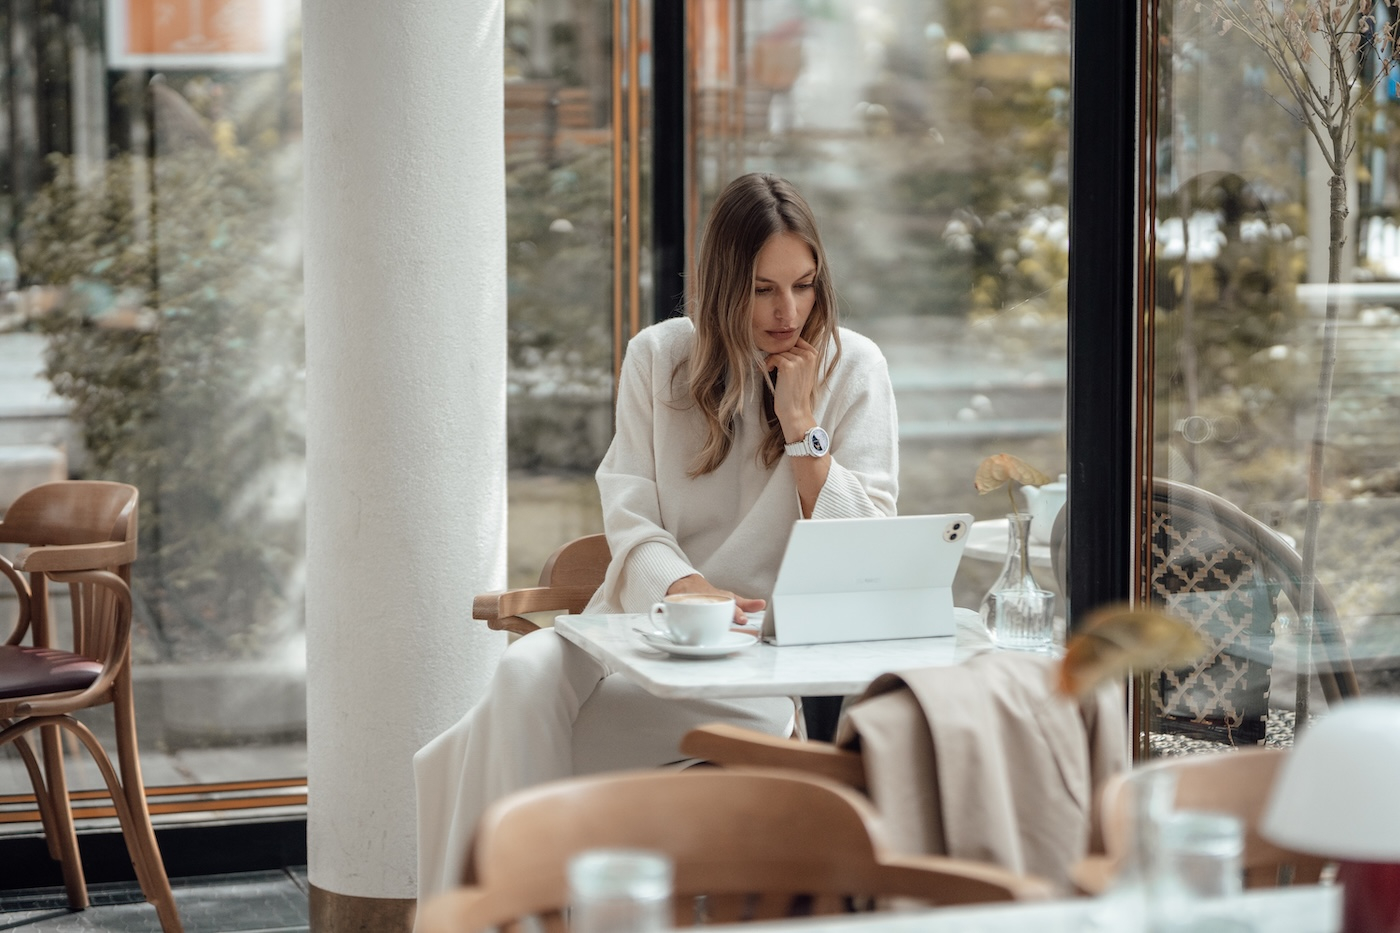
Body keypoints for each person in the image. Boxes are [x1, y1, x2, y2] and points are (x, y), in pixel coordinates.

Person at [414, 172, 899, 900]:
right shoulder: (658, 357)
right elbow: (630, 511)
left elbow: (865, 551)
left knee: (472, 755)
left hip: (751, 668)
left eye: (803, 284)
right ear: (722, 285)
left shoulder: (854, 368)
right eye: (763, 288)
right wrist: (685, 586)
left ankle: (507, 911)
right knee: (519, 676)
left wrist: (804, 428)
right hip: (632, 628)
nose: (787, 311)